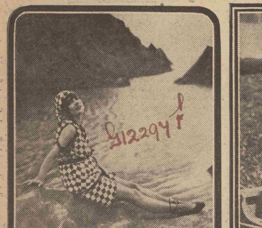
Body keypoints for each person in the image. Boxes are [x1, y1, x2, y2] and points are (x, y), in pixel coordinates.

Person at [23, 91, 204, 216]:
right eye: (70, 102)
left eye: (76, 98)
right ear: (65, 110)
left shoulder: (75, 126)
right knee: (133, 195)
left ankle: (175, 203)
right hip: (83, 182)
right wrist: (40, 177)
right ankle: (179, 209)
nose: (76, 102)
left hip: (90, 174)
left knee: (134, 186)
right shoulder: (69, 129)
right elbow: (52, 154)